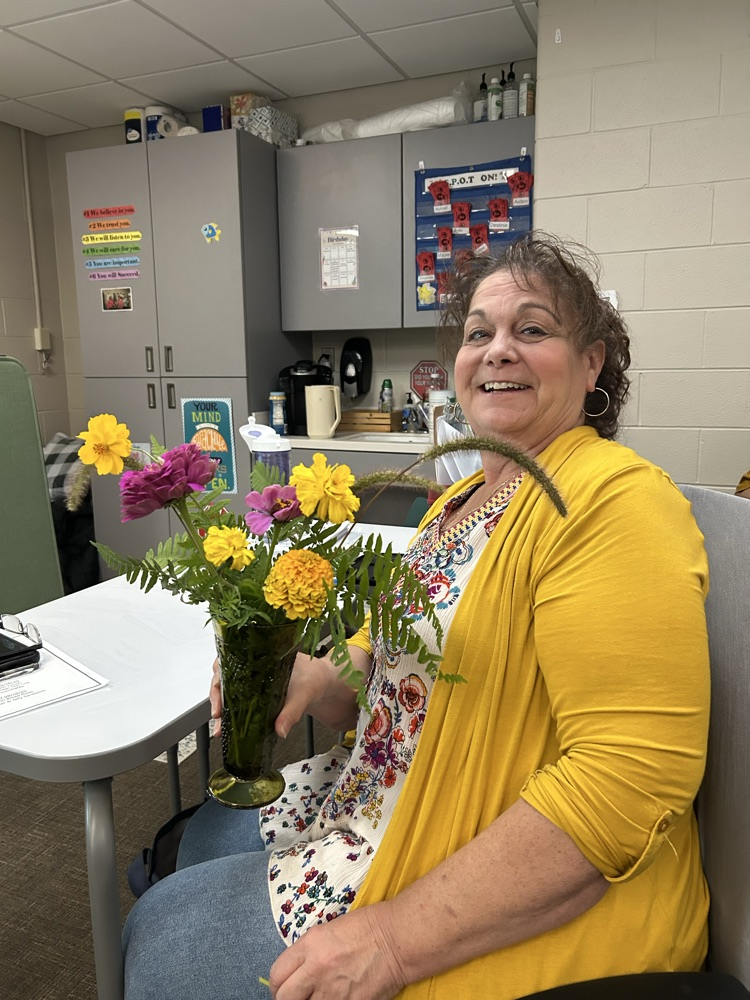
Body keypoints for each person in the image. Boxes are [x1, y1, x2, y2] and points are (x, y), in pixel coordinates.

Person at [123, 234, 710, 1000]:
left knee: (162, 939)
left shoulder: (613, 500)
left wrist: (392, 943)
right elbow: (379, 676)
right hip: (386, 801)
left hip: (496, 872)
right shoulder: (458, 505)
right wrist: (307, 675)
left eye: (531, 330)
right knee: (195, 844)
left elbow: (626, 782)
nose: (497, 350)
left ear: (592, 363)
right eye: (478, 333)